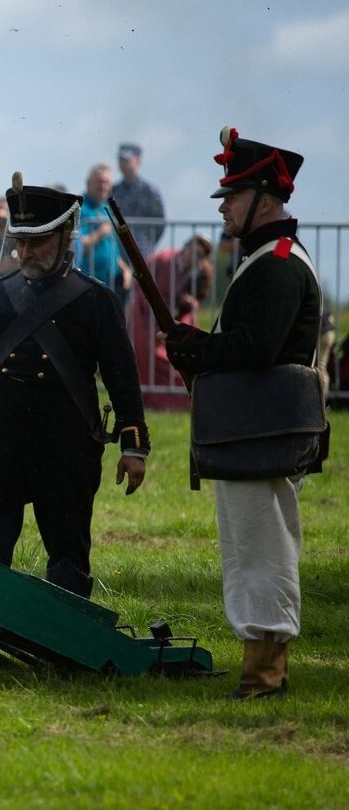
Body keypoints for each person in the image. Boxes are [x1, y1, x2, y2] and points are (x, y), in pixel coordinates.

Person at [164, 128, 322, 700]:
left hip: (265, 428)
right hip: (253, 429)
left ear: (265, 197)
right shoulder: (263, 259)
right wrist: (200, 347)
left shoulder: (279, 264)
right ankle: (260, 667)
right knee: (247, 546)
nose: (225, 206)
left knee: (263, 548)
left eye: (233, 196)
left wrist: (200, 347)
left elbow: (258, 348)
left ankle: (266, 674)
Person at [0, 177, 149, 599]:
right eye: (19, 241)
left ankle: (67, 639)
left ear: (64, 237)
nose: (24, 251)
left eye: (36, 241)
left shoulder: (95, 300)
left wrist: (132, 444)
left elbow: (121, 376)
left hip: (65, 446)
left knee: (68, 555)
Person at [129, 234, 213, 407]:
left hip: (175, 317)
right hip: (146, 314)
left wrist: (190, 302)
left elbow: (200, 295)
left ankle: (184, 396)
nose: (195, 258)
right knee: (147, 351)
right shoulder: (162, 260)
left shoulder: (202, 271)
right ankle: (150, 398)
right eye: (194, 251)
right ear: (186, 248)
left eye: (200, 255)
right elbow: (142, 283)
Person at [75, 163, 131, 307]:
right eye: (99, 182)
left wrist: (124, 268)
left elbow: (112, 247)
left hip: (111, 285)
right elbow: (81, 246)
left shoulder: (107, 208)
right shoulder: (81, 208)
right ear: (88, 183)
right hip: (88, 284)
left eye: (106, 183)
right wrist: (102, 231)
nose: (103, 186)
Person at [110, 142, 166, 257]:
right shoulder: (113, 191)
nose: (123, 163)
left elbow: (160, 223)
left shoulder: (150, 191)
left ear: (138, 160)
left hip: (143, 251)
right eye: (120, 159)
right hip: (118, 252)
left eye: (127, 159)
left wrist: (148, 243)